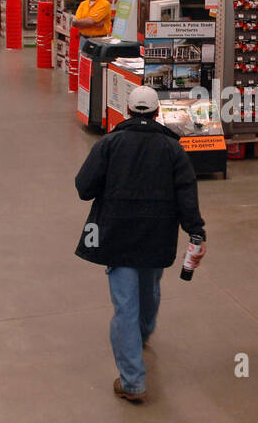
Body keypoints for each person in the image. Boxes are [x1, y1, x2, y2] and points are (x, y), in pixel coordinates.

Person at [74, 86, 207, 404]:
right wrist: (196, 232)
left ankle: (133, 382)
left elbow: (84, 188)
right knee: (149, 288)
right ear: (157, 113)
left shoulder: (109, 144)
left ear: (128, 112)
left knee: (124, 308)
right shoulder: (173, 150)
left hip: (117, 236)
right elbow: (186, 196)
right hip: (157, 236)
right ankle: (144, 332)